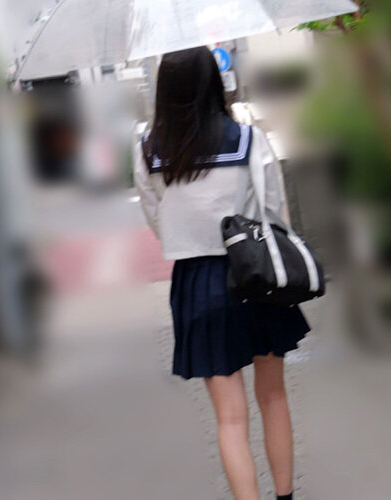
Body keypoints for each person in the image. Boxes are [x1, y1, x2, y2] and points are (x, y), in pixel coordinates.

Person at [133, 47, 309, 500]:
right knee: (273, 397)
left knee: (230, 419)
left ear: (165, 90)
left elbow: (156, 217)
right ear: (215, 82)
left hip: (197, 282)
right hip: (257, 275)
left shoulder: (149, 151)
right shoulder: (248, 140)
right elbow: (274, 210)